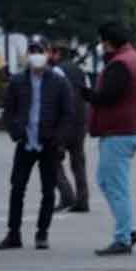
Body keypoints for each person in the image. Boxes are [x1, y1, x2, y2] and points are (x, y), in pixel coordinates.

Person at [0, 36, 74, 251]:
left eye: (40, 50)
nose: (36, 55)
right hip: (25, 142)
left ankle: (42, 233)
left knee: (48, 190)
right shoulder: (18, 81)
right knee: (17, 188)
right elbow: (8, 109)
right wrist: (15, 132)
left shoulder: (59, 81)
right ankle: (13, 234)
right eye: (32, 51)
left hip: (49, 144)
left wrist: (58, 139)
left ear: (49, 53)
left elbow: (68, 114)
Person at [82, 22, 136, 256]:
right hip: (126, 131)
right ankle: (127, 229)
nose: (101, 46)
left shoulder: (120, 64)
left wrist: (83, 92)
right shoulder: (132, 59)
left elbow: (107, 97)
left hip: (119, 133)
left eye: (102, 41)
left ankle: (123, 237)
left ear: (108, 42)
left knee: (115, 186)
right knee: (106, 180)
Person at [49, 40, 91, 213]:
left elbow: (53, 97)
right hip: (80, 122)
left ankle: (67, 195)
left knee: (52, 160)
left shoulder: (57, 70)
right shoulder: (81, 71)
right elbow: (88, 95)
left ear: (57, 53)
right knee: (78, 162)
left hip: (63, 123)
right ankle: (83, 201)